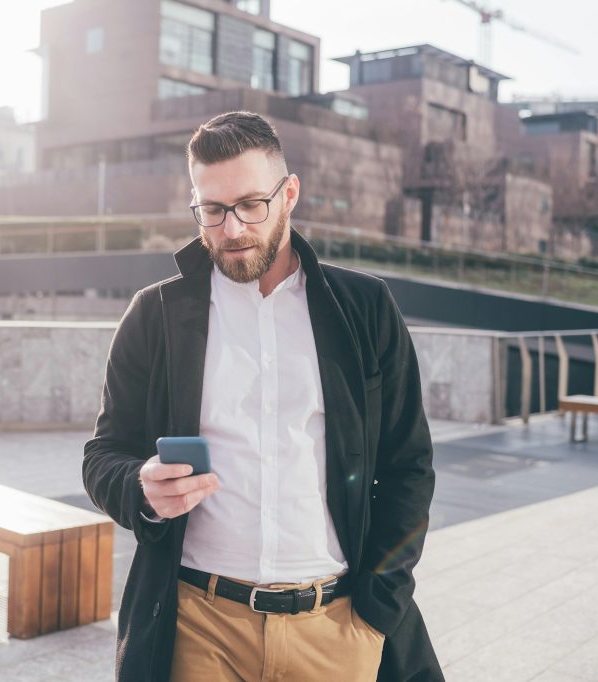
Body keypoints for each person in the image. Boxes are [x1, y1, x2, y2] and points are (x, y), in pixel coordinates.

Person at [83, 111, 441, 681]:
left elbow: (409, 466)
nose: (231, 229)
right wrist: (140, 487)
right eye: (212, 209)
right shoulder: (154, 315)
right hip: (197, 627)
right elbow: (103, 455)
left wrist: (379, 606)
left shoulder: (365, 308)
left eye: (251, 204)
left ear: (289, 192)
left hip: (337, 627)